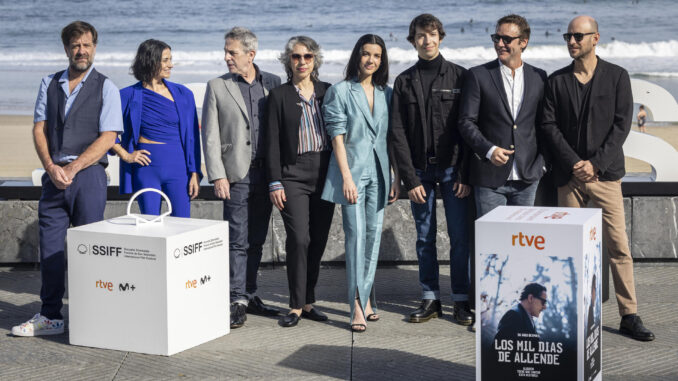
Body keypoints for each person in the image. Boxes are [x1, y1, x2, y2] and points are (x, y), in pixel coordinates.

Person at [541, 15, 654, 341]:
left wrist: (596, 164)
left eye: (578, 36)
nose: (571, 41)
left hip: (605, 176)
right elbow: (549, 126)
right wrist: (575, 163)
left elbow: (622, 125)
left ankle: (629, 315)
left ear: (596, 38)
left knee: (619, 247)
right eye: (568, 36)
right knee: (568, 249)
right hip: (569, 177)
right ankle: (571, 313)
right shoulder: (556, 80)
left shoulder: (617, 76)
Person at [12, 21, 122, 336]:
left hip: (88, 177)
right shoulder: (48, 83)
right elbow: (38, 128)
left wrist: (73, 170)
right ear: (66, 49)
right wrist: (50, 167)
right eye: (75, 45)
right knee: (49, 249)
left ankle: (92, 315)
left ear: (94, 47)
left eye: (87, 45)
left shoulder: (107, 87)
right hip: (54, 175)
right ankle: (50, 316)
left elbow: (108, 137)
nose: (81, 51)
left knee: (89, 249)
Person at [388, 13, 473, 326]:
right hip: (420, 173)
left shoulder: (462, 77)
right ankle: (430, 298)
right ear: (413, 41)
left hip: (453, 172)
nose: (427, 40)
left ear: (441, 37)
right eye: (421, 36)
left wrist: (464, 173)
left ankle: (461, 300)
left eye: (432, 34)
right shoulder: (404, 81)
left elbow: (468, 129)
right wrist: (409, 179)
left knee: (459, 237)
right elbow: (396, 133)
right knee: (424, 238)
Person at [201, 27, 282, 329]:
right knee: (237, 240)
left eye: (232, 52)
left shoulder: (273, 83)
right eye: (225, 51)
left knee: (257, 240)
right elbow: (209, 135)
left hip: (268, 174)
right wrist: (217, 175)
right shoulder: (217, 86)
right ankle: (236, 299)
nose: (226, 58)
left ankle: (250, 294)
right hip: (235, 175)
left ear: (251, 54)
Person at [321, 34, 398, 332]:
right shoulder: (340, 92)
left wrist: (395, 176)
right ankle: (356, 304)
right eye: (366, 54)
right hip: (351, 174)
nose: (371, 60)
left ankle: (367, 298)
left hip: (379, 173)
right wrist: (347, 178)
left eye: (377, 56)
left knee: (374, 236)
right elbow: (337, 138)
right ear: (357, 56)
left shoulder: (386, 93)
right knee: (355, 238)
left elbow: (390, 139)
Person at [264, 36, 335, 328]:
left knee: (317, 241)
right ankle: (294, 305)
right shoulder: (279, 96)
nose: (302, 61)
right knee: (299, 238)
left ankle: (308, 302)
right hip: (292, 174)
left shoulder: (328, 92)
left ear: (314, 60)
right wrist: (274, 182)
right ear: (288, 61)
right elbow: (271, 144)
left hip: (325, 172)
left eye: (307, 56)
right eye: (296, 57)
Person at [459, 14, 547, 217]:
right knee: (491, 246)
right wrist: (489, 150)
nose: (499, 43)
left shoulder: (539, 77)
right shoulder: (478, 75)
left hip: (527, 177)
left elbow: (545, 124)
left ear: (523, 42)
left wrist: (542, 166)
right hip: (489, 177)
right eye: (496, 38)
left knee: (523, 243)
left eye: (506, 39)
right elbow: (466, 121)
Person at [111, 39, 201, 218]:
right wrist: (126, 155)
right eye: (166, 60)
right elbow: (106, 131)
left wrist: (194, 173)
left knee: (182, 225)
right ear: (151, 61)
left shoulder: (184, 94)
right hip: (146, 168)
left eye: (170, 59)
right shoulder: (126, 95)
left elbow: (192, 138)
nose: (171, 65)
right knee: (150, 224)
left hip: (178, 167)